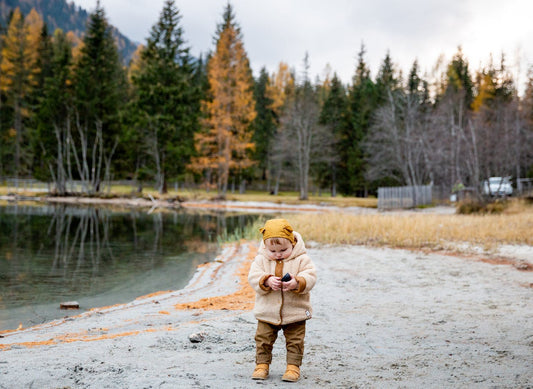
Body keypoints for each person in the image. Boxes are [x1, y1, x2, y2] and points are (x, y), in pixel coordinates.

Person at [248, 218, 317, 382]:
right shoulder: (261, 259)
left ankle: (293, 367)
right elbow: (253, 276)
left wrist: (297, 282)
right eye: (272, 251)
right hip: (267, 311)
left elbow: (311, 276)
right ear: (265, 247)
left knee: (295, 341)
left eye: (283, 250)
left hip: (295, 311)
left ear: (293, 243)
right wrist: (266, 280)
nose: (277, 254)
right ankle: (262, 365)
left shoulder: (302, 259)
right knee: (263, 339)